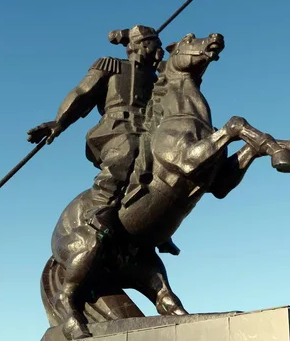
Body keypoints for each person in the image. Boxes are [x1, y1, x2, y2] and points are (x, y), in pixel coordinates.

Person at [27, 25, 179, 254]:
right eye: (156, 46)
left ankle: (157, 222)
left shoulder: (156, 77)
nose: (160, 51)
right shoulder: (112, 65)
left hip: (147, 130)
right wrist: (59, 121)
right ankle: (99, 209)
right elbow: (82, 93)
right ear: (142, 45)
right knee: (127, 149)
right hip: (114, 129)